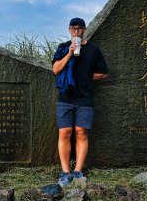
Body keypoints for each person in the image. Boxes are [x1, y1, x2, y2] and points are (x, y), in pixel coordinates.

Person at [52, 17, 108, 186]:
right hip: (66, 98)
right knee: (65, 132)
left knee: (81, 132)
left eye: (80, 28)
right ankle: (65, 172)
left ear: (84, 30)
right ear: (69, 29)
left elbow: (104, 73)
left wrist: (86, 78)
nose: (76, 31)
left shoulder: (93, 50)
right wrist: (70, 53)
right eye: (73, 28)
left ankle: (78, 171)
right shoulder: (62, 48)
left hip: (85, 98)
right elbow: (55, 69)